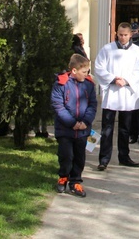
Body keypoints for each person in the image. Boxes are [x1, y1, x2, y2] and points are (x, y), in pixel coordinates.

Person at [94, 22, 139, 169]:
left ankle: (124, 156)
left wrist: (126, 80)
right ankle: (104, 159)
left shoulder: (137, 51)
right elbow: (99, 67)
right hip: (111, 92)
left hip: (127, 94)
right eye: (120, 34)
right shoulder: (107, 49)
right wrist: (113, 78)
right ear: (116, 34)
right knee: (107, 128)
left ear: (131, 34)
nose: (123, 37)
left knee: (125, 128)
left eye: (125, 35)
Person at [51, 53, 97, 198]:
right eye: (84, 72)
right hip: (65, 129)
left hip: (83, 130)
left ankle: (75, 181)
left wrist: (85, 122)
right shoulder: (61, 84)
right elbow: (58, 106)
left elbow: (92, 105)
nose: (87, 74)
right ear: (74, 70)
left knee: (79, 157)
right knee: (66, 155)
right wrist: (73, 123)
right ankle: (63, 177)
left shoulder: (89, 85)